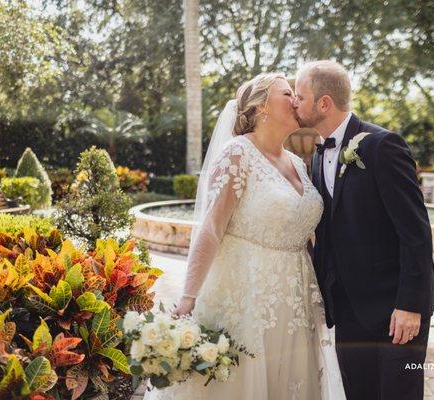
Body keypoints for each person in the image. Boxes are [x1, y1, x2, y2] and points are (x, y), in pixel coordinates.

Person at [145, 72, 344, 400]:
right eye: (287, 93)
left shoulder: (297, 161)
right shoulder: (237, 153)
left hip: (296, 300)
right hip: (247, 295)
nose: (296, 99)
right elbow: (211, 228)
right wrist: (188, 297)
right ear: (261, 106)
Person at [293, 60, 434, 400]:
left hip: (396, 310)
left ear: (324, 103)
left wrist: (410, 306)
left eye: (300, 97)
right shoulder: (317, 154)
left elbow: (415, 232)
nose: (294, 104)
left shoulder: (382, 146)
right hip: (349, 308)